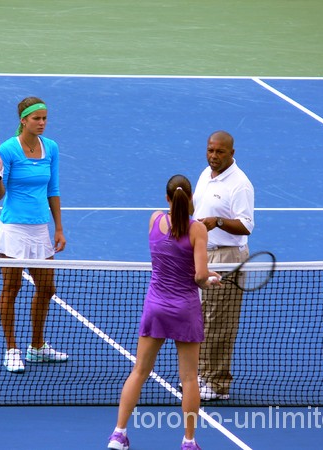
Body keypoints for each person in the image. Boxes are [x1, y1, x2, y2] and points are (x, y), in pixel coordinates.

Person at [107, 175, 220, 450]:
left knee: (139, 371)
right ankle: (189, 441)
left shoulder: (154, 219)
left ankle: (118, 434)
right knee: (190, 378)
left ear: (167, 198)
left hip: (156, 307)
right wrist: (211, 279)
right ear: (191, 198)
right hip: (185, 309)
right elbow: (199, 276)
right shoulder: (198, 231)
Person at [0, 96, 68, 373]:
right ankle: (11, 349)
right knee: (12, 288)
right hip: (14, 229)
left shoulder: (52, 148)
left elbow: (53, 189)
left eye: (45, 118)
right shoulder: (9, 150)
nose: (42, 123)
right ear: (24, 120)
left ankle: (37, 347)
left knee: (47, 288)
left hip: (41, 228)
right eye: (37, 118)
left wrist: (58, 227)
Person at [192, 130, 255, 401]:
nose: (213, 156)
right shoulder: (206, 174)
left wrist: (217, 221)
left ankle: (216, 384)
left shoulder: (241, 185)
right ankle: (200, 374)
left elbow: (246, 226)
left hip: (228, 259)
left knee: (219, 323)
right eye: (210, 150)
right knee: (201, 318)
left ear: (232, 153)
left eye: (219, 152)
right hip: (203, 255)